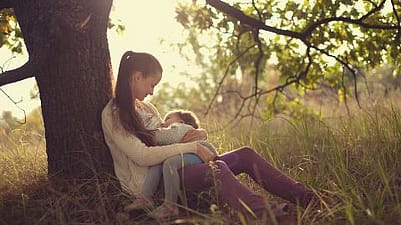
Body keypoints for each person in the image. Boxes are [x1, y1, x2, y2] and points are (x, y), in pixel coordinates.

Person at [101, 51, 319, 222]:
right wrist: (194, 148)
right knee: (217, 169)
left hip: (179, 168)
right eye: (151, 84)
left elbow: (168, 135)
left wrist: (196, 134)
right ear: (136, 77)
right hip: (155, 184)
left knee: (245, 155)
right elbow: (142, 156)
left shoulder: (146, 108)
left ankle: (309, 199)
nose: (152, 92)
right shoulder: (114, 114)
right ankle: (273, 216)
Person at [125, 109, 218, 218]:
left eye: (168, 118)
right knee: (157, 162)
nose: (163, 122)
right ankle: (145, 197)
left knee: (169, 163)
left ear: (181, 122)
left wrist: (148, 134)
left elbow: (168, 136)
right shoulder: (174, 131)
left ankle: (170, 205)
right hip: (187, 153)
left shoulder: (181, 128)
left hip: (200, 155)